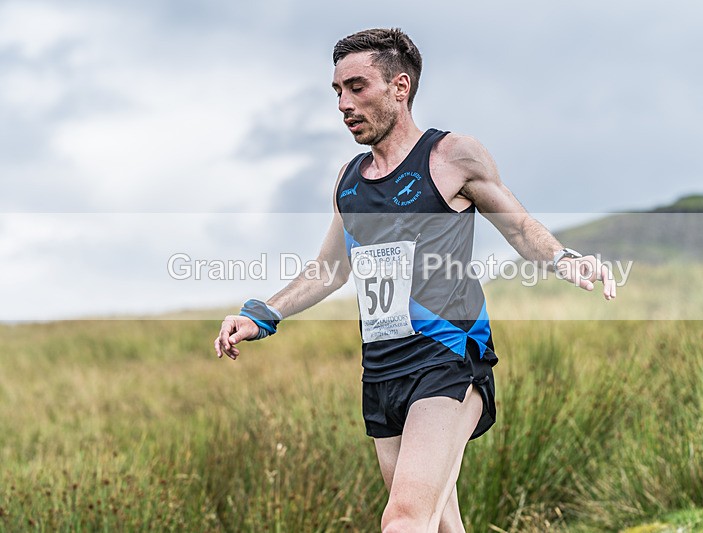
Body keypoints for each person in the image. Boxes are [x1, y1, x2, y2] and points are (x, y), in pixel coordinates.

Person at [214, 28, 616, 533]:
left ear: (400, 87)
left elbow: (518, 226)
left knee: (404, 521)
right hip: (382, 372)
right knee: (440, 523)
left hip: (447, 361)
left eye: (357, 87)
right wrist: (260, 315)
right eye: (337, 91)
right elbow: (332, 268)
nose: (343, 103)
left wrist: (566, 259)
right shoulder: (349, 180)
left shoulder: (450, 158)